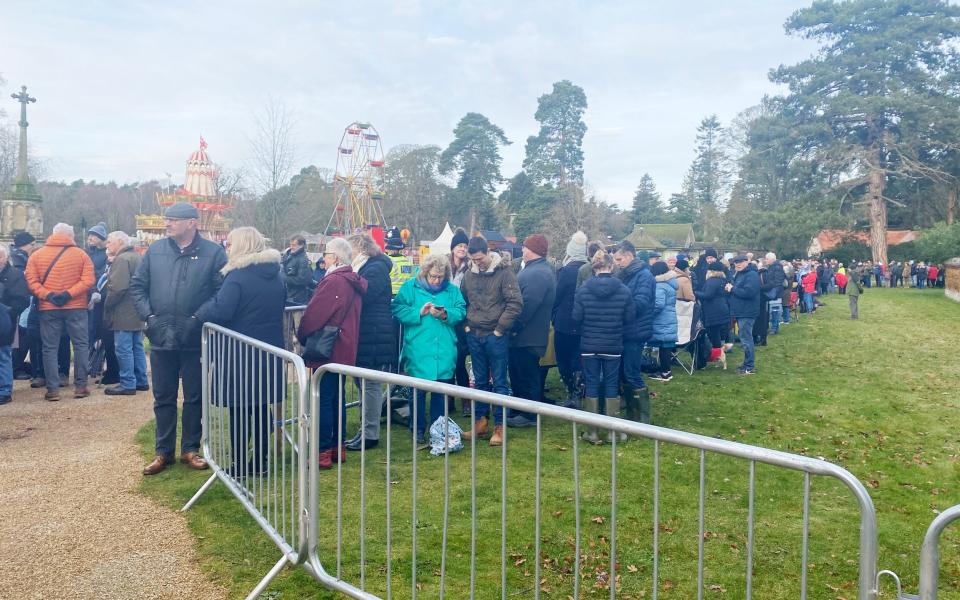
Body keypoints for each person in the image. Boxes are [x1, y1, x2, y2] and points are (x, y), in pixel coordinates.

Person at [131, 203, 228, 475]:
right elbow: (137, 286)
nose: (167, 224)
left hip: (195, 337)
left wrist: (198, 319)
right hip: (161, 336)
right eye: (167, 219)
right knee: (163, 396)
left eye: (173, 220)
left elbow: (221, 292)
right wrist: (149, 319)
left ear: (191, 223)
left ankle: (190, 448)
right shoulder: (155, 251)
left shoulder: (214, 253)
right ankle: (163, 452)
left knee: (194, 396)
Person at [196, 227, 285, 477]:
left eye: (230, 243)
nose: (227, 248)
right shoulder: (276, 275)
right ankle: (261, 461)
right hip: (268, 350)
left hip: (240, 352)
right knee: (259, 407)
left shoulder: (237, 276)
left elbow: (222, 311)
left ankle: (239, 463)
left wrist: (202, 312)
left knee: (239, 408)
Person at [297, 237, 367, 469]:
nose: (323, 259)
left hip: (329, 348)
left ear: (335, 257)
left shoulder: (334, 282)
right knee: (338, 398)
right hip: (344, 346)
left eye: (326, 254)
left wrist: (302, 333)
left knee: (324, 400)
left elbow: (314, 314)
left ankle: (323, 451)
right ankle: (338, 447)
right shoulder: (351, 280)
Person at [392, 253, 466, 442]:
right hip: (418, 348)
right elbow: (397, 309)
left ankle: (437, 430)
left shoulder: (452, 291)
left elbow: (461, 310)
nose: (436, 280)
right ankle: (417, 429)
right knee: (417, 392)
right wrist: (419, 312)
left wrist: (445, 314)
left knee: (440, 393)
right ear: (425, 272)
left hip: (444, 349)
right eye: (433, 276)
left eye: (440, 277)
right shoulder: (410, 287)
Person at [459, 236, 522, 446]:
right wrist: (467, 325)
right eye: (474, 260)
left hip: (495, 336)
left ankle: (500, 426)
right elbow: (463, 301)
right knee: (480, 381)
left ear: (488, 252)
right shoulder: (468, 275)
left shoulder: (505, 273)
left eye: (480, 258)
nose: (478, 263)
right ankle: (481, 422)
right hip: (474, 334)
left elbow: (515, 303)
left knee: (500, 382)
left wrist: (499, 330)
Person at [24, 223, 96, 401]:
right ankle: (80, 386)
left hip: (48, 308)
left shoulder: (37, 255)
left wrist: (47, 295)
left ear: (53, 234)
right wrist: (69, 294)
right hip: (76, 306)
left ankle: (53, 390)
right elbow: (88, 280)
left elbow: (31, 281)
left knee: (49, 348)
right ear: (70, 236)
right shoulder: (82, 255)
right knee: (80, 345)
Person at [572, 250, 634, 444]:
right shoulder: (623, 289)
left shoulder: (583, 289)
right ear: (611, 266)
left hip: (589, 343)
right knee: (611, 383)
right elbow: (630, 317)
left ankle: (591, 431)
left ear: (594, 267)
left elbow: (576, 317)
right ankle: (612, 431)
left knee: (591, 383)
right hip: (613, 343)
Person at [345, 233, 398, 451]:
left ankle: (370, 433)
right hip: (368, 331)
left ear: (360, 248)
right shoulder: (368, 267)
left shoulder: (374, 269)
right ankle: (365, 429)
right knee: (363, 382)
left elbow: (365, 295)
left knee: (369, 384)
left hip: (374, 332)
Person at [506, 234, 557, 428]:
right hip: (526, 336)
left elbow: (527, 306)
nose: (522, 251)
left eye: (525, 248)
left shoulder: (537, 274)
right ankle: (520, 408)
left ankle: (528, 414)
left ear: (533, 250)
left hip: (527, 337)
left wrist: (513, 328)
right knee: (519, 374)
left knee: (527, 375)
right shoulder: (539, 271)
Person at [613, 241, 655, 423]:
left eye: (619, 259)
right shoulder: (626, 275)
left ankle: (641, 416)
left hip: (636, 331)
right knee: (624, 371)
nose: (617, 263)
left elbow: (640, 303)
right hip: (626, 329)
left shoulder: (644, 276)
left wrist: (617, 307)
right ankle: (631, 410)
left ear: (630, 255)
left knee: (631, 372)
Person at [102, 231, 148, 395]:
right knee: (137, 346)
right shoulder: (137, 257)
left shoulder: (121, 259)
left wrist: (107, 305)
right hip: (137, 309)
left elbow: (118, 288)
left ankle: (128, 383)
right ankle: (141, 380)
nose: (107, 245)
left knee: (123, 348)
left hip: (123, 310)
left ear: (120, 242)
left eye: (109, 242)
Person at [551, 231, 588, 409]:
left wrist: (553, 315)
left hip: (565, 323)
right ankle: (579, 391)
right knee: (578, 358)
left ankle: (572, 392)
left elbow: (557, 296)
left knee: (565, 359)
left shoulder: (567, 271)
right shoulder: (590, 269)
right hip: (584, 323)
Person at [0, 246, 31, 405]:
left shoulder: (15, 275)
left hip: (4, 322)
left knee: (3, 355)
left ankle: (5, 391)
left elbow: (23, 300)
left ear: (6, 258)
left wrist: (8, 312)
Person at [448, 228, 472, 416]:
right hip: (446, 318)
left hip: (462, 319)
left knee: (460, 361)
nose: (462, 249)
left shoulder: (470, 268)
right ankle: (448, 400)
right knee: (448, 361)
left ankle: (465, 401)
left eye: (465, 245)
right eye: (459, 245)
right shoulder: (445, 267)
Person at [725, 255, 760, 375]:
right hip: (740, 311)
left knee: (746, 339)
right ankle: (746, 364)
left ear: (747, 262)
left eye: (740, 262)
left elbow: (749, 293)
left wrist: (733, 289)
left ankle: (749, 366)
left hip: (747, 311)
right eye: (736, 262)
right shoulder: (739, 274)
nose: (738, 264)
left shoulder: (752, 275)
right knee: (744, 338)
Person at [10, 231, 36, 379]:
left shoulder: (20, 257)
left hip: (23, 300)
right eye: (31, 244)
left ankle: (18, 365)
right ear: (23, 245)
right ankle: (16, 366)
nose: (34, 247)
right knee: (20, 335)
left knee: (21, 334)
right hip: (20, 301)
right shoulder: (18, 259)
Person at [648, 261, 678, 382]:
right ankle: (665, 370)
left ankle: (665, 373)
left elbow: (658, 305)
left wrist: (649, 314)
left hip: (662, 320)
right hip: (669, 319)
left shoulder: (660, 285)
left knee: (664, 347)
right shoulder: (670, 284)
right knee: (665, 347)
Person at [698, 262, 730, 364]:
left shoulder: (712, 281)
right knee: (717, 334)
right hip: (722, 309)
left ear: (711, 271)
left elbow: (708, 295)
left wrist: (695, 292)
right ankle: (718, 355)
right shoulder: (723, 280)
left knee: (713, 334)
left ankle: (717, 356)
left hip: (713, 311)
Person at [281, 234, 315, 306]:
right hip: (286, 295)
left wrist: (283, 278)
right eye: (290, 244)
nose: (291, 247)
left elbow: (303, 280)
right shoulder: (287, 255)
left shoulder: (303, 260)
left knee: (297, 317)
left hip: (298, 299)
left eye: (294, 245)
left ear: (301, 245)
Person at [760, 252, 786, 338]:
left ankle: (774, 328)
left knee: (775, 311)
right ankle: (771, 327)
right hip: (771, 292)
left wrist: (771, 288)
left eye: (767, 258)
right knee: (771, 310)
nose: (765, 260)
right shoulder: (771, 267)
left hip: (775, 293)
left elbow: (778, 281)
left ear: (772, 259)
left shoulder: (777, 267)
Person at [385, 226, 415, 295]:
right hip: (405, 294)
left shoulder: (388, 261)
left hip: (391, 294)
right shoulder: (407, 261)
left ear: (390, 249)